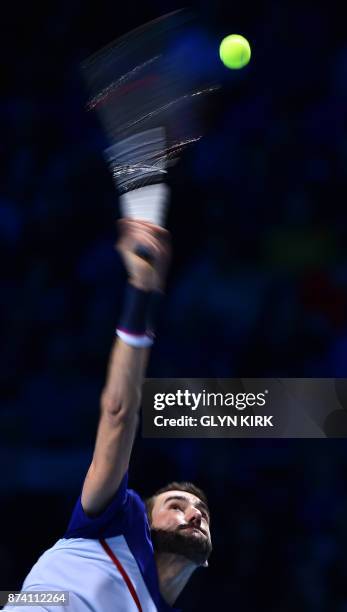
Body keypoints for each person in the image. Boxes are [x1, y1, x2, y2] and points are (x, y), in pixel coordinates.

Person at [3, 219, 212, 611]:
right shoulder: (116, 523)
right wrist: (142, 292)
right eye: (176, 505)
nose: (194, 514)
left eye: (201, 512)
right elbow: (118, 413)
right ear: (145, 526)